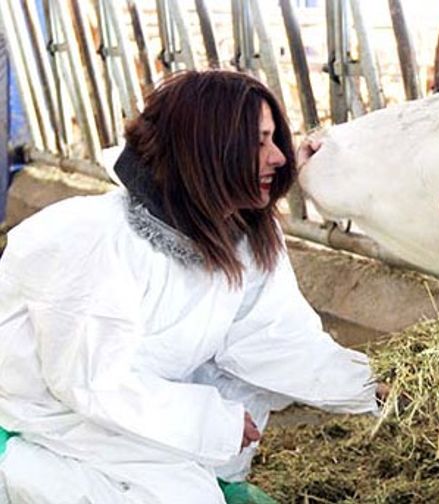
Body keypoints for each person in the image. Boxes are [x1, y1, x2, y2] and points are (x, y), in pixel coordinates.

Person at [0, 70, 381, 503]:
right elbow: (95, 383)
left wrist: (369, 385)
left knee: (240, 399)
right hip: (51, 417)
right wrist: (212, 424)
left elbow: (272, 336)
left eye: (274, 139)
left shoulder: (244, 234)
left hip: (134, 400)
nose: (278, 157)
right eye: (258, 142)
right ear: (206, 151)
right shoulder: (91, 240)